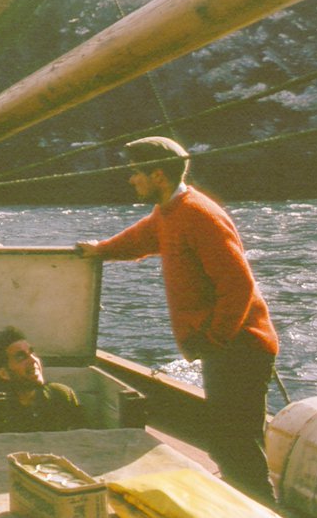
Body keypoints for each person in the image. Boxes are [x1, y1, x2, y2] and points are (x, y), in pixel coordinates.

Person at [76, 136, 279, 505]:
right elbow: (143, 237)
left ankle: (260, 508)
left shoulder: (200, 215)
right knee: (226, 441)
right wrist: (102, 250)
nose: (130, 180)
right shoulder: (169, 211)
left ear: (158, 175)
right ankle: (242, 504)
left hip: (240, 346)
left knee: (236, 445)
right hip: (224, 346)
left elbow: (239, 286)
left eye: (135, 173)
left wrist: (214, 340)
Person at [0, 326, 84, 433]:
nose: (33, 360)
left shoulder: (62, 395)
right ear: (4, 373)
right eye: (21, 357)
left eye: (32, 353)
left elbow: (82, 440)